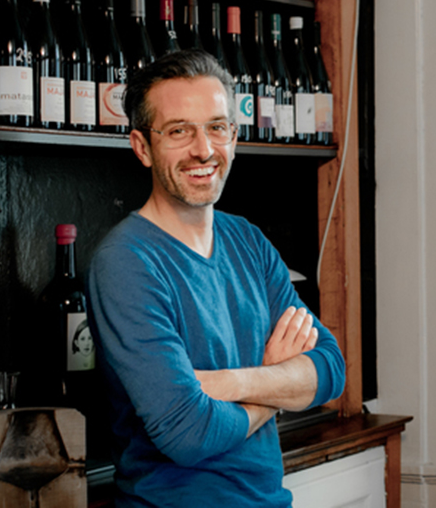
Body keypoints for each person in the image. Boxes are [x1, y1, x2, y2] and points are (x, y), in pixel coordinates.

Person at [87, 50, 346, 507]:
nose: (204, 150)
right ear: (142, 147)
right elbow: (188, 434)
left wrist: (227, 383)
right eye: (179, 131)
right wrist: (276, 386)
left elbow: (329, 370)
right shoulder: (126, 262)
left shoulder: (248, 241)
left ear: (234, 136)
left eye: (217, 127)